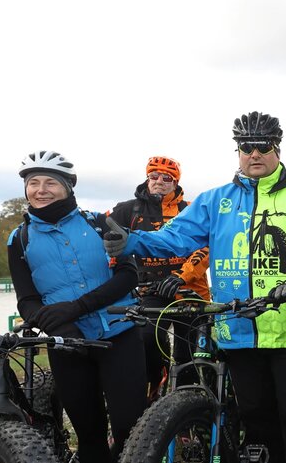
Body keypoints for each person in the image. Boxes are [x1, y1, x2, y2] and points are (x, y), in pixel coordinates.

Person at [106, 111, 286, 463]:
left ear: (278, 149)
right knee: (255, 421)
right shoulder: (215, 199)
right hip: (236, 325)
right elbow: (175, 237)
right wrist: (131, 242)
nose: (254, 153)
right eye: (245, 147)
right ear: (238, 151)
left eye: (262, 146)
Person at [6, 150, 145, 463]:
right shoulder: (20, 239)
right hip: (66, 343)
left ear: (68, 187)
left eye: (50, 182)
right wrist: (57, 325)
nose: (41, 189)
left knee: (128, 426)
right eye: (33, 183)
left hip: (119, 334)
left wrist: (77, 307)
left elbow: (128, 274)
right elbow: (27, 300)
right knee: (88, 432)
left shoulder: (99, 222)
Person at [108, 156, 210, 397]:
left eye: (167, 178)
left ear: (176, 183)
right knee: (146, 338)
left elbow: (206, 246)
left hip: (190, 290)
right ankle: (158, 378)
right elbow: (105, 236)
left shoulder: (190, 208)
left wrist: (181, 275)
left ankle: (188, 408)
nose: (160, 182)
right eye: (154, 177)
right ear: (147, 179)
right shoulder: (127, 209)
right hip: (150, 290)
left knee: (189, 354)